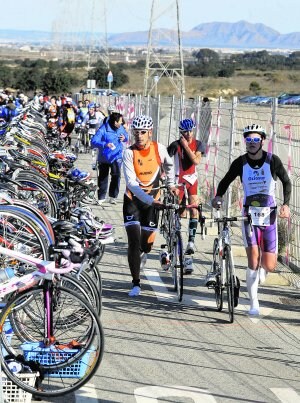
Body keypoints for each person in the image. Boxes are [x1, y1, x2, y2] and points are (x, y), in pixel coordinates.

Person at [209, 123, 291, 315]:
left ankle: (261, 273)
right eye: (248, 139)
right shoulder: (240, 162)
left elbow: (287, 182)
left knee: (269, 265)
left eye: (256, 139)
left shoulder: (273, 161)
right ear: (245, 141)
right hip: (249, 216)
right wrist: (218, 196)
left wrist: (286, 205)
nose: (252, 143)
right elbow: (225, 181)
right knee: (253, 260)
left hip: (269, 215)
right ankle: (254, 304)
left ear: (262, 141)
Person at [122, 114, 178, 297]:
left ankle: (143, 255)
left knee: (146, 246)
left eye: (143, 132)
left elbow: (170, 166)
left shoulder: (159, 149)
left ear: (150, 133)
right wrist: (149, 200)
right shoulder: (129, 152)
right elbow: (131, 183)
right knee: (133, 242)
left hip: (154, 202)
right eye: (136, 132)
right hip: (133, 201)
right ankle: (136, 283)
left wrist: (170, 184)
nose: (139, 136)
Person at [167, 118, 205, 273]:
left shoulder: (198, 144)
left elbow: (196, 161)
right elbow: (165, 160)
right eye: (185, 132)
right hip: (178, 180)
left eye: (190, 131)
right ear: (180, 132)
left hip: (192, 179)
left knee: (194, 208)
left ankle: (191, 241)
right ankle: (178, 239)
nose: (188, 134)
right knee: (181, 211)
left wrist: (186, 146)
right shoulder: (175, 145)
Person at [91, 112, 128, 204]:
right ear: (115, 122)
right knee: (103, 178)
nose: (121, 123)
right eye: (120, 121)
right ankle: (101, 197)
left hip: (116, 156)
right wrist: (105, 144)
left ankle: (113, 197)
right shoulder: (103, 129)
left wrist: (125, 138)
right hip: (104, 157)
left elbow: (126, 137)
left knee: (116, 176)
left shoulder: (121, 128)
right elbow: (93, 141)